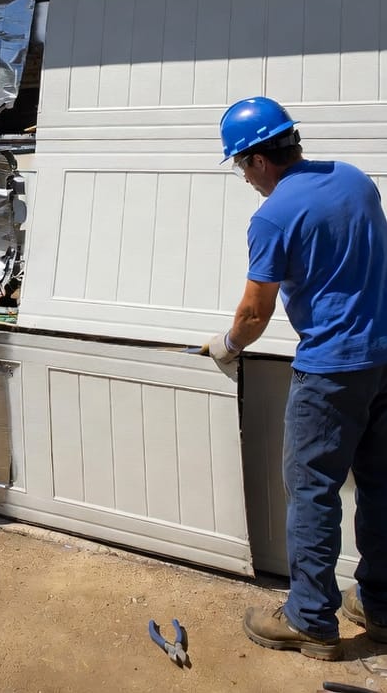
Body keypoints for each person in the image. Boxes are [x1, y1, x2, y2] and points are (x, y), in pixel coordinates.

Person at [206, 96, 387, 661]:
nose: (245, 178)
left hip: (330, 373)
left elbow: (254, 313)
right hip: (383, 360)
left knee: (312, 491)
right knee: (381, 486)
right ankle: (381, 607)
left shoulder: (274, 216)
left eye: (241, 167)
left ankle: (310, 619)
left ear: (258, 159)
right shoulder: (355, 180)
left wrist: (228, 346)